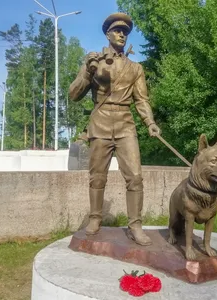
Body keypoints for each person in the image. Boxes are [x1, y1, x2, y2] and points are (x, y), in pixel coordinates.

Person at [69, 12, 161, 246]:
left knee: (136, 177)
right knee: (97, 177)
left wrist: (150, 122)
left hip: (125, 124)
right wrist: (88, 72)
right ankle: (95, 218)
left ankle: (136, 225)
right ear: (108, 34)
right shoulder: (94, 61)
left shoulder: (135, 68)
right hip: (100, 123)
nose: (122, 34)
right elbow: (74, 95)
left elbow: (142, 100)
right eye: (117, 31)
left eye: (125, 32)